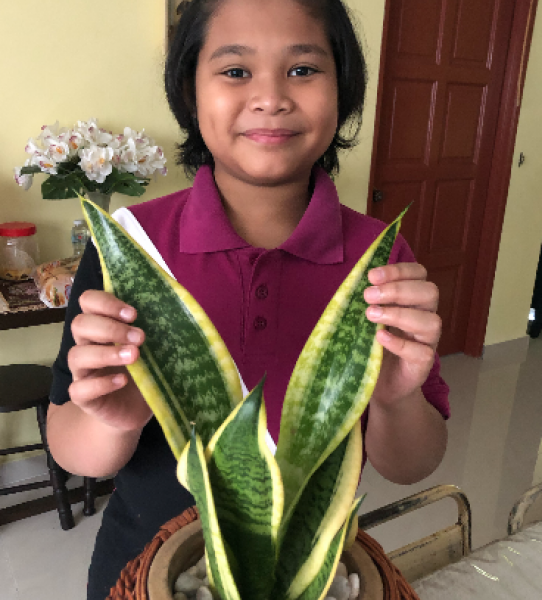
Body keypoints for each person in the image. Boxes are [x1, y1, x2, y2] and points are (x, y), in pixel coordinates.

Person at [47, 1, 449, 598]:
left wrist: (394, 399)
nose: (271, 97)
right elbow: (74, 448)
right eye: (236, 71)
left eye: (303, 70)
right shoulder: (129, 246)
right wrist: (114, 421)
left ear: (344, 88)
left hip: (312, 574)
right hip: (148, 569)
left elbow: (415, 462)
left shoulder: (379, 258)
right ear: (190, 90)